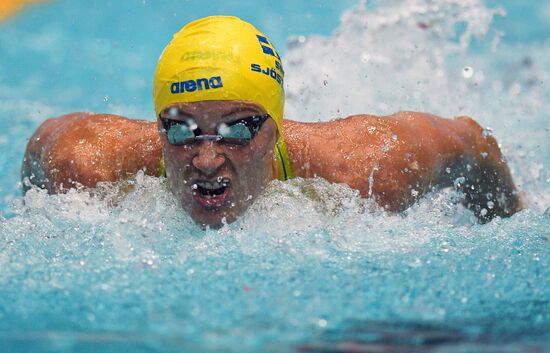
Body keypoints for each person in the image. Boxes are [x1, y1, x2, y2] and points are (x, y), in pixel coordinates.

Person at [21, 16, 524, 228]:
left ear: (276, 130)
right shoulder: (84, 164)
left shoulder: (366, 170)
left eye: (239, 128)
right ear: (157, 128)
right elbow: (40, 147)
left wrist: (512, 221)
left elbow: (474, 142)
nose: (206, 157)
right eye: (180, 129)